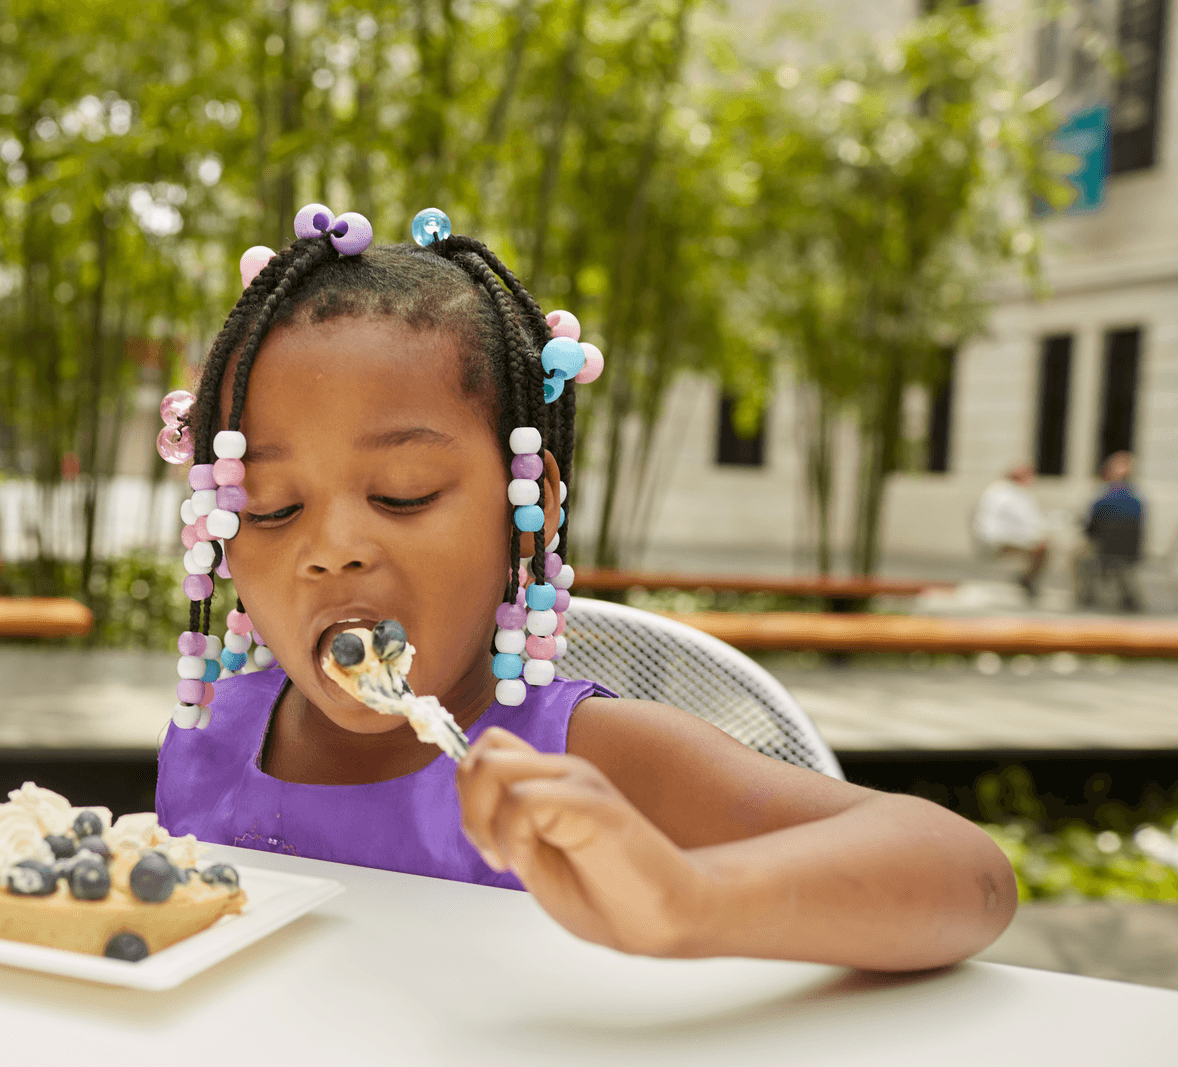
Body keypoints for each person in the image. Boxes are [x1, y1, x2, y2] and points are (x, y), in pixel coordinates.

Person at [153, 205, 1015, 974]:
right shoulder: (212, 735)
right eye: (268, 508)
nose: (331, 549)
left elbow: (964, 874)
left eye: (405, 492)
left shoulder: (589, 763)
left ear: (530, 507)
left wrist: (691, 898)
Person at [1080, 451, 1145, 612]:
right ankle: (1127, 596)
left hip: (1104, 549)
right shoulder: (1137, 499)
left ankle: (1085, 594)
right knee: (1119, 565)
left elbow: (1091, 527)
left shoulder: (1104, 497)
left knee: (1078, 556)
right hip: (1131, 551)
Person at [973, 462, 1049, 598]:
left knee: (1040, 545)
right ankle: (1027, 580)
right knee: (1042, 547)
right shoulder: (1006, 494)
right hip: (997, 540)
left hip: (1002, 537)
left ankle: (1027, 579)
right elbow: (1025, 522)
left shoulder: (1004, 491)